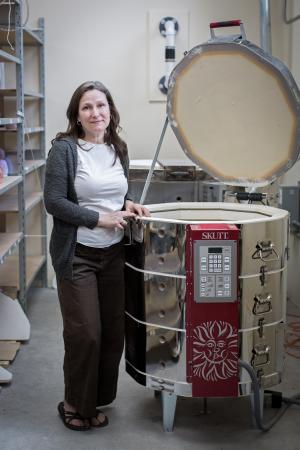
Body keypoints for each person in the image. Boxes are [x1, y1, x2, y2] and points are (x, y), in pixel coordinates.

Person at [43, 80, 149, 431]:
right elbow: (54, 203)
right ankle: (75, 403)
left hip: (112, 255)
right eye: (87, 107)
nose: (95, 113)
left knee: (112, 333)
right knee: (85, 333)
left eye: (100, 105)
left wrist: (127, 203)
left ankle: (95, 398)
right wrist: (100, 218)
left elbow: (116, 192)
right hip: (78, 255)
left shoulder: (118, 147)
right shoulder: (65, 150)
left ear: (110, 110)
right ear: (76, 114)